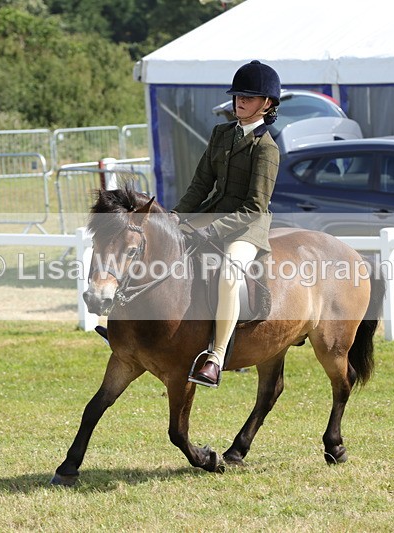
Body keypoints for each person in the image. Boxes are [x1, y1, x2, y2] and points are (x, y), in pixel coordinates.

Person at [172, 60, 281, 387]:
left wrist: (210, 230)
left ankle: (216, 357)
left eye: (248, 97)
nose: (239, 102)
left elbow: (254, 206)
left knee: (231, 271)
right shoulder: (221, 134)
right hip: (214, 212)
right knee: (158, 248)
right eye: (237, 96)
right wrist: (176, 218)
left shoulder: (267, 149)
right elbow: (200, 185)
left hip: (248, 226)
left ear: (267, 103)